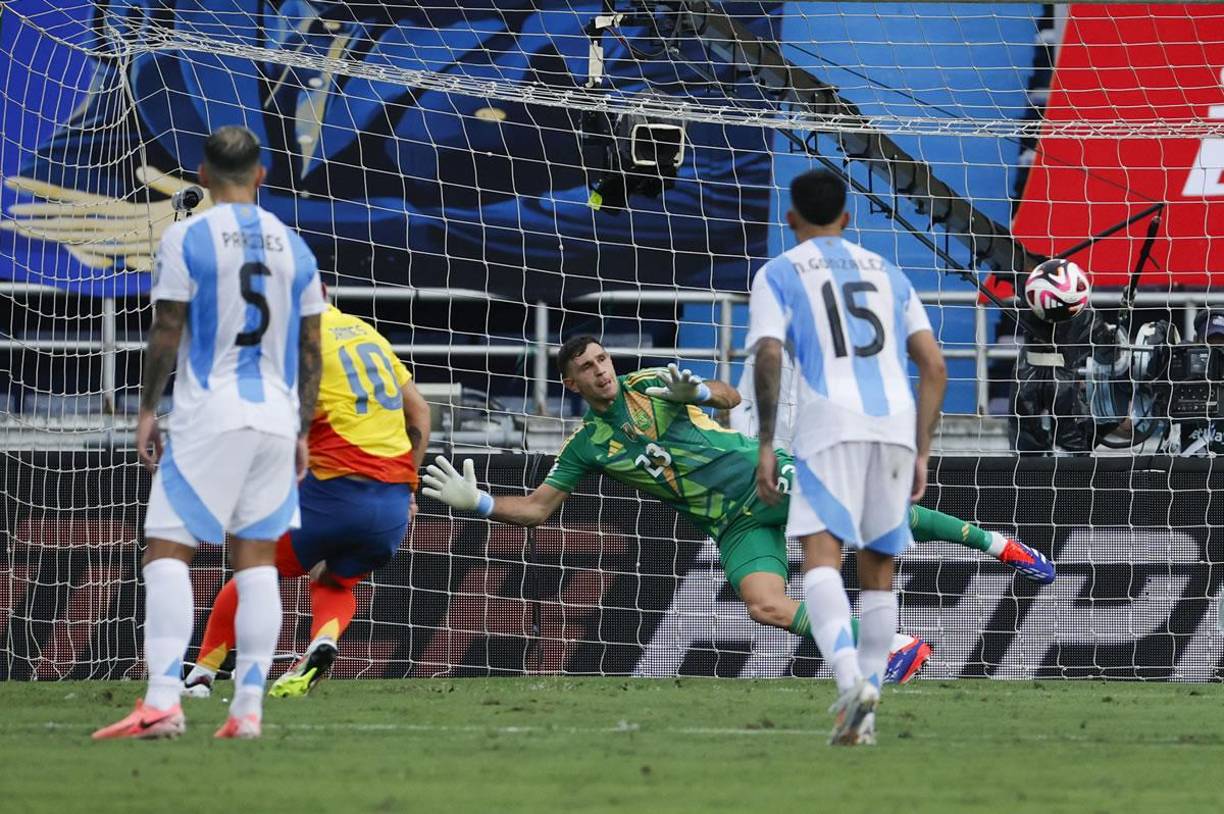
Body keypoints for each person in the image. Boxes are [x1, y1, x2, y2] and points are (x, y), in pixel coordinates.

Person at [422, 337, 932, 686]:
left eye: (602, 359)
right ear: (572, 384)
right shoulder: (586, 445)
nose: (600, 370)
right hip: (730, 522)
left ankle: (982, 539)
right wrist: (481, 503)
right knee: (765, 607)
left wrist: (701, 392)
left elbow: (731, 396)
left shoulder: (649, 384)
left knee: (865, 516)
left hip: (762, 479)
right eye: (587, 368)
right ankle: (892, 645)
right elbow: (537, 509)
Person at [92, 126, 327, 740]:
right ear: (262, 174)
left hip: (211, 413)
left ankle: (162, 702)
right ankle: (247, 709)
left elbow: (167, 328)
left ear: (201, 174)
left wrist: (147, 408)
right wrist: (302, 430)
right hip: (275, 418)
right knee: (256, 561)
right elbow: (311, 348)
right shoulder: (295, 247)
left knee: (168, 550)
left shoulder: (187, 237)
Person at [749, 168, 945, 746]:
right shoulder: (888, 271)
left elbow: (768, 353)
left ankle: (849, 681)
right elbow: (934, 366)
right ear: (847, 217)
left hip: (829, 425)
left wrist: (766, 442)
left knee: (821, 563)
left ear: (790, 218)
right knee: (879, 574)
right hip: (895, 427)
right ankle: (869, 709)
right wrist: (922, 448)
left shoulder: (778, 272)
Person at [182, 298, 431, 698]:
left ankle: (201, 677)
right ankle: (324, 640)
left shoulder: (290, 341)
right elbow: (419, 411)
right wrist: (407, 488)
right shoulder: (366, 332)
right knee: (334, 580)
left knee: (254, 567)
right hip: (390, 508)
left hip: (333, 493)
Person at [731, 354, 1054, 583]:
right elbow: (740, 404)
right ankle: (891, 645)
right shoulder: (771, 343)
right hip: (738, 492)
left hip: (783, 466)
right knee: (765, 604)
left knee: (864, 526)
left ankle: (997, 545)